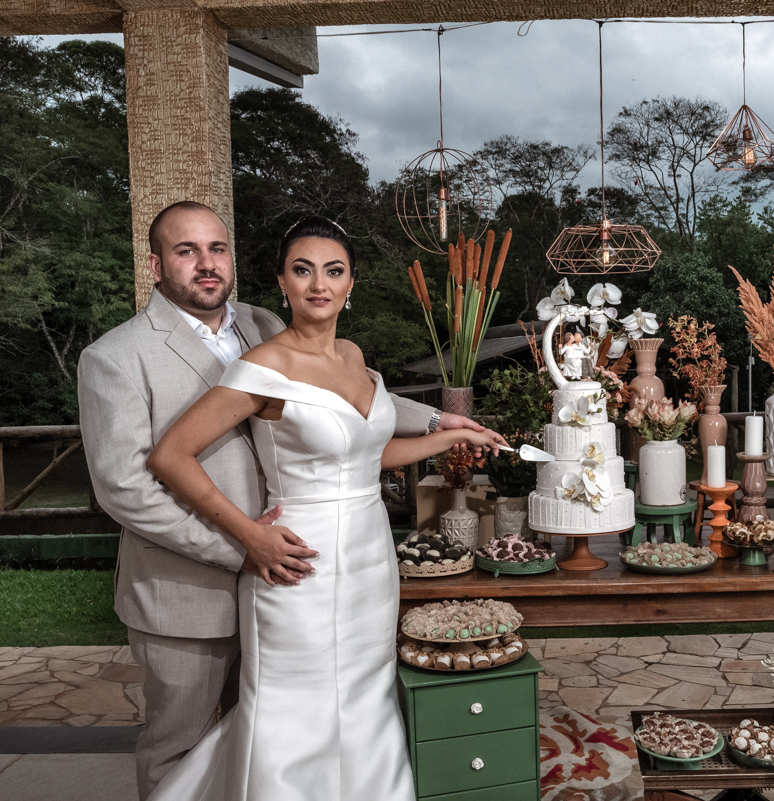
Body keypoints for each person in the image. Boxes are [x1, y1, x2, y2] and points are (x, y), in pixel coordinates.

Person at [77, 202, 487, 800]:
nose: (206, 263)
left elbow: (353, 421)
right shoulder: (114, 357)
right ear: (156, 265)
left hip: (336, 562)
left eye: (216, 249)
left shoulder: (264, 322)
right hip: (196, 580)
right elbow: (126, 486)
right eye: (186, 251)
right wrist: (243, 542)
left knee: (323, 711)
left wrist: (443, 424)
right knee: (184, 744)